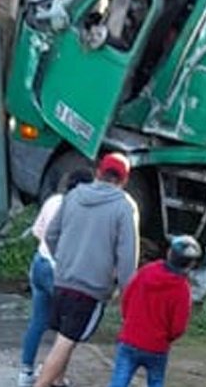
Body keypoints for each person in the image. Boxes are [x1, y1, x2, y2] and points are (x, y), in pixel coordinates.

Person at [34, 153, 140, 387]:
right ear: (124, 180)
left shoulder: (73, 196)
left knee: (63, 335)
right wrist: (127, 293)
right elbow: (127, 258)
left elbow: (51, 235)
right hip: (91, 288)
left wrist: (63, 261)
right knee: (67, 341)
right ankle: (41, 384)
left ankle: (58, 381)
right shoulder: (124, 208)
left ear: (99, 172)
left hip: (62, 279)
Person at [17, 169, 95, 387]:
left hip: (39, 263)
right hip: (61, 273)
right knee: (66, 330)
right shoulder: (78, 209)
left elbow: (38, 232)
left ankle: (26, 372)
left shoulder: (53, 201)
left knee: (38, 321)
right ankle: (56, 376)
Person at [107, 235, 203, 387]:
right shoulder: (182, 289)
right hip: (157, 347)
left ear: (169, 253)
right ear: (190, 264)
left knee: (119, 379)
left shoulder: (147, 271)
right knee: (156, 381)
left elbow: (127, 298)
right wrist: (167, 338)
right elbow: (178, 326)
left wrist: (128, 321)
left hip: (130, 338)